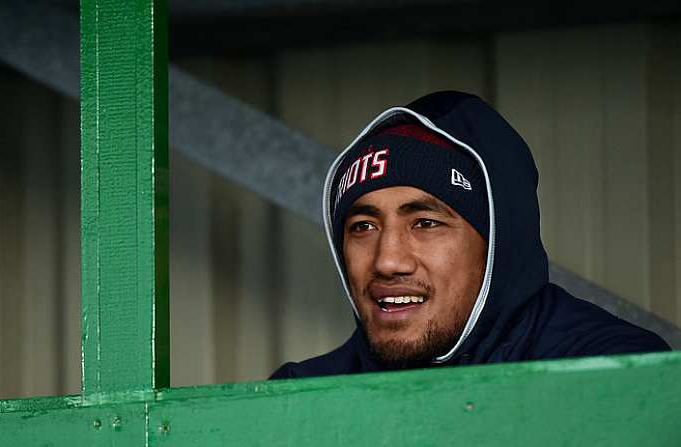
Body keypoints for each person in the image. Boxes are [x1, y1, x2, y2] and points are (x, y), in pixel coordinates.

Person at [270, 91, 670, 379]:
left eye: (425, 223)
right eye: (363, 227)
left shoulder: (615, 372)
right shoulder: (301, 395)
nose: (387, 260)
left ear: (497, 244)